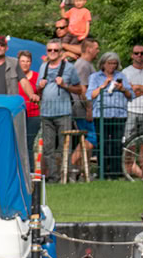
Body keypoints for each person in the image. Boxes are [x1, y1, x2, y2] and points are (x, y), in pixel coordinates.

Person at [37, 41, 76, 180]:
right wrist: (40, 86)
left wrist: (65, 85)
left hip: (63, 113)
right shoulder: (43, 67)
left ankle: (66, 176)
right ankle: (53, 177)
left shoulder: (69, 68)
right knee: (48, 148)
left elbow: (79, 88)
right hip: (46, 113)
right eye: (49, 50)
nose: (52, 52)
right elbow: (37, 89)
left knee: (65, 147)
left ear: (60, 52)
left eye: (55, 50)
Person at [88, 52, 131, 176]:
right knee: (103, 143)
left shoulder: (121, 76)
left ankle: (116, 172)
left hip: (118, 114)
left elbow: (130, 95)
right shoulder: (95, 77)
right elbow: (91, 95)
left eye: (114, 64)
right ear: (103, 64)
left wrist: (123, 89)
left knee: (117, 143)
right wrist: (103, 86)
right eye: (110, 63)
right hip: (101, 115)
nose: (112, 66)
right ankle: (103, 171)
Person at [70, 39, 100, 172]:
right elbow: (83, 90)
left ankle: (83, 171)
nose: (98, 51)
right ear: (89, 49)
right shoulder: (83, 65)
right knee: (92, 138)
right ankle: (69, 165)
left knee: (88, 138)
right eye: (96, 48)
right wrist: (89, 108)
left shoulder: (87, 64)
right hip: (82, 110)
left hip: (86, 109)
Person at [16, 50, 41, 158]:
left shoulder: (37, 76)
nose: (25, 64)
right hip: (18, 114)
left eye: (27, 61)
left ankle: (29, 169)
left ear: (31, 63)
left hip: (33, 115)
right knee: (18, 142)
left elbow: (40, 94)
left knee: (29, 142)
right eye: (22, 61)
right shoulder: (13, 77)